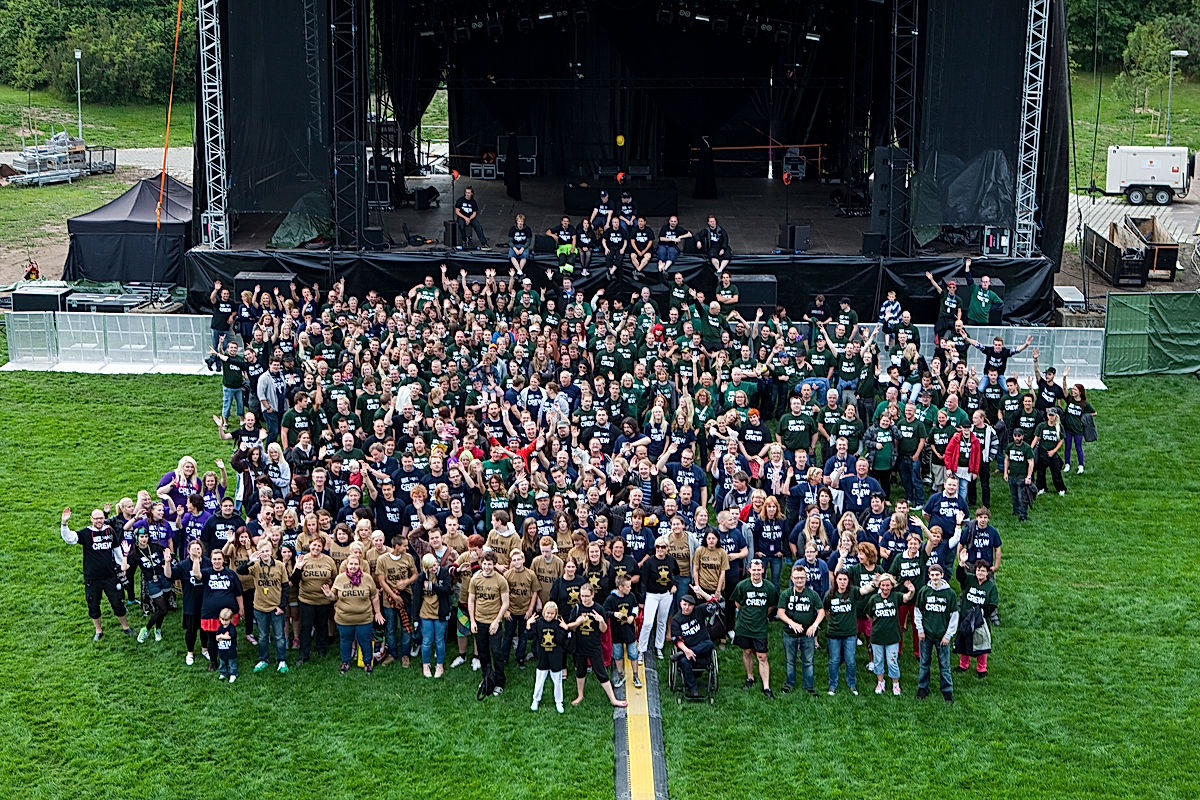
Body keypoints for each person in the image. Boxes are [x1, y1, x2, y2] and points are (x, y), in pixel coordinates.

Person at [60, 507, 136, 641]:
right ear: (91, 519)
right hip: (92, 578)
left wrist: (122, 565)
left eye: (101, 518)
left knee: (118, 602)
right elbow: (69, 539)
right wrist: (64, 524)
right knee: (93, 604)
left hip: (110, 576)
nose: (99, 521)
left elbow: (116, 549)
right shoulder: (86, 533)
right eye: (96, 518)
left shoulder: (110, 531)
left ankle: (125, 627)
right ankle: (98, 630)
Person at [564, 583, 627, 708]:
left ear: (592, 595)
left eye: (587, 596)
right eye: (582, 596)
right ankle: (580, 695)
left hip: (594, 645)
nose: (584, 599)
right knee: (580, 671)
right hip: (579, 645)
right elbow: (570, 627)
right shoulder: (577, 608)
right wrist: (578, 622)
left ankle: (613, 699)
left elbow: (603, 630)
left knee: (601, 672)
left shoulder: (598, 609)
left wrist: (601, 620)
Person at [323, 552, 384, 674]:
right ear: (347, 565)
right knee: (346, 640)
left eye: (356, 564)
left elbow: (374, 597)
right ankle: (345, 662)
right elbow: (334, 597)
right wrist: (329, 594)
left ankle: (367, 663)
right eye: (351, 564)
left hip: (364, 618)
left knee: (365, 640)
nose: (353, 566)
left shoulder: (367, 578)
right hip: (344, 618)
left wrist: (377, 613)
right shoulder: (340, 578)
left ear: (359, 565)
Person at [237, 540, 290, 674]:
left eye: (267, 551)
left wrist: (282, 606)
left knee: (279, 636)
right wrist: (250, 560)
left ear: (271, 551)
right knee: (262, 636)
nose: (265, 553)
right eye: (262, 551)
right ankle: (263, 659)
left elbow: (285, 587)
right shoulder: (255, 566)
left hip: (276, 607)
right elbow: (240, 571)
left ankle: (281, 660)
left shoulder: (279, 565)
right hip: (260, 607)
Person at [859, 572, 915, 696]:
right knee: (878, 661)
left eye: (888, 585)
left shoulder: (895, 596)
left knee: (892, 661)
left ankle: (896, 684)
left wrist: (911, 591)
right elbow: (868, 614)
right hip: (877, 636)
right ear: (879, 586)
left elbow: (906, 598)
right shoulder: (874, 599)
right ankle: (880, 682)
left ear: (892, 586)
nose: (885, 588)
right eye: (883, 585)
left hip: (892, 636)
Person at [730, 558, 778, 699]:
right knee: (746, 651)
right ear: (749, 570)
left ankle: (766, 686)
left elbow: (771, 606)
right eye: (754, 569)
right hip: (744, 626)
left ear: (763, 570)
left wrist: (761, 615)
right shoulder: (742, 586)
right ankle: (750, 677)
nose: (756, 572)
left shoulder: (769, 587)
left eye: (759, 570)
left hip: (760, 627)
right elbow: (737, 603)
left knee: (762, 656)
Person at [777, 564, 825, 696]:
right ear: (792, 578)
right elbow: (780, 612)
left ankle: (809, 686)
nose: (799, 580)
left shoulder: (812, 594)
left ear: (806, 578)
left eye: (802, 578)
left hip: (807, 634)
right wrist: (792, 623)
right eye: (797, 578)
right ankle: (789, 683)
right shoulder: (786, 594)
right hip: (790, 633)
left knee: (808, 661)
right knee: (790, 660)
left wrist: (814, 625)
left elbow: (821, 611)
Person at [914, 562, 959, 703]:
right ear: (929, 576)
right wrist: (920, 630)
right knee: (924, 663)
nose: (935, 577)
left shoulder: (949, 593)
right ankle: (922, 688)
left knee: (944, 665)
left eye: (937, 575)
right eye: (932, 575)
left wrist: (948, 635)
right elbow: (917, 611)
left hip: (942, 636)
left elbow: (954, 616)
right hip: (926, 635)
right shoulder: (924, 591)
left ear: (942, 575)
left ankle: (947, 691)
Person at [468, 551, 510, 694]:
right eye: (484, 564)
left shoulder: (501, 580)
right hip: (479, 622)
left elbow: (505, 603)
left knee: (497, 652)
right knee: (483, 653)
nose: (487, 567)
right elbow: (471, 600)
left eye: (490, 564)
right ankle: (487, 678)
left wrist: (497, 621)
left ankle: (499, 681)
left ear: (494, 565)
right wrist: (472, 621)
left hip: (494, 622)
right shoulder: (475, 579)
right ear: (481, 564)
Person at [195, 548, 244, 673]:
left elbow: (238, 593)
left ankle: (230, 658)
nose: (217, 561)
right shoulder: (206, 573)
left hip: (229, 613)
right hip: (210, 612)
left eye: (219, 559)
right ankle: (213, 661)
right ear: (211, 560)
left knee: (230, 635)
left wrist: (241, 609)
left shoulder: (231, 574)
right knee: (212, 638)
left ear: (224, 560)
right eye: (214, 559)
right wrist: (196, 559)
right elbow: (197, 575)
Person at [121, 526, 172, 643]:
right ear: (137, 538)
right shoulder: (135, 553)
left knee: (164, 607)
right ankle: (146, 629)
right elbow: (124, 567)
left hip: (164, 578)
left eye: (146, 536)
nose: (144, 539)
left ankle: (157, 629)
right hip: (151, 581)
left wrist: (167, 559)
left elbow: (168, 555)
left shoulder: (155, 547)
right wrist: (125, 554)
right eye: (141, 537)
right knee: (163, 609)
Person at [295, 536, 336, 664]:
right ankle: (303, 654)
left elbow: (335, 577)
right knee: (306, 627)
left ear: (322, 548)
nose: (316, 548)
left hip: (323, 600)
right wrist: (298, 567)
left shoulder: (329, 561)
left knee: (322, 625)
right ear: (309, 545)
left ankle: (321, 649)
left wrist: (331, 592)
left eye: (319, 546)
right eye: (314, 545)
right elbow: (294, 580)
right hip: (306, 600)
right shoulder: (303, 559)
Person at [954, 559, 999, 678]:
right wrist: (961, 564)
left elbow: (993, 604)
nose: (980, 573)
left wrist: (980, 613)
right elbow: (960, 576)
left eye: (983, 571)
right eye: (978, 570)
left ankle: (981, 668)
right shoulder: (970, 579)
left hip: (980, 620)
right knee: (964, 640)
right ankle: (963, 665)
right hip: (966, 618)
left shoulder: (991, 586)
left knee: (981, 643)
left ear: (987, 573)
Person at [638, 536, 679, 661]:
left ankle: (659, 646)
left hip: (666, 594)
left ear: (667, 548)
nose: (660, 549)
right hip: (652, 594)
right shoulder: (649, 562)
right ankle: (641, 649)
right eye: (658, 547)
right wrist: (642, 600)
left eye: (663, 547)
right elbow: (643, 581)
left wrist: (674, 585)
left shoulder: (671, 560)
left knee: (662, 621)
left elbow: (677, 573)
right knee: (648, 623)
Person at [415, 553, 454, 678]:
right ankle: (425, 664)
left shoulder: (443, 573)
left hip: (440, 613)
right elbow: (416, 598)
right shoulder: (421, 578)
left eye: (435, 565)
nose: (434, 568)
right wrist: (415, 618)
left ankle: (439, 664)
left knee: (439, 640)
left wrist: (433, 587)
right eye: (431, 566)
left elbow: (447, 591)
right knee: (426, 641)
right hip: (425, 613)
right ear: (426, 568)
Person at [670, 594, 715, 699]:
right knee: (684, 661)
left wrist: (701, 592)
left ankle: (681, 654)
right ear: (680, 604)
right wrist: (686, 650)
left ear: (693, 606)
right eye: (684, 604)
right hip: (687, 651)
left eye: (689, 605)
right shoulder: (676, 620)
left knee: (710, 644)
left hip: (703, 646)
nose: (686, 607)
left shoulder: (699, 611)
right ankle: (693, 689)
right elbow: (676, 639)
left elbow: (713, 604)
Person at [528, 601, 569, 713]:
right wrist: (529, 624)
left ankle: (559, 702)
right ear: (543, 612)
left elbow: (562, 641)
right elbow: (530, 636)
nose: (549, 615)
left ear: (555, 614)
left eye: (552, 613)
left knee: (557, 681)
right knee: (539, 680)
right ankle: (536, 700)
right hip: (543, 657)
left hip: (556, 657)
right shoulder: (539, 623)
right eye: (547, 613)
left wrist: (565, 629)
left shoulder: (558, 624)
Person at [603, 574, 641, 689]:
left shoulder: (631, 596)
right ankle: (620, 675)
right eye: (628, 586)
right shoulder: (611, 599)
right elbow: (604, 611)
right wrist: (614, 614)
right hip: (617, 633)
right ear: (620, 587)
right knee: (618, 655)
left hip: (629, 632)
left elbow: (635, 607)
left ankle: (635, 676)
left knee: (633, 654)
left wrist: (633, 616)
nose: (630, 588)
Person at [824, 568, 858, 696]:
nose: (842, 582)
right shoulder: (830, 594)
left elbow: (865, 591)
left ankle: (852, 684)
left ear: (848, 581)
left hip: (850, 633)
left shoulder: (853, 592)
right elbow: (826, 610)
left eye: (845, 579)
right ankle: (832, 685)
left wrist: (874, 583)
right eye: (840, 579)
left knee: (850, 660)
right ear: (836, 580)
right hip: (833, 633)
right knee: (834, 660)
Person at [1032, 407, 1067, 496]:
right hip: (1042, 452)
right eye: (1049, 415)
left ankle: (1061, 488)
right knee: (1040, 472)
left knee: (1056, 472)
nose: (1051, 417)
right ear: (1047, 415)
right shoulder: (1042, 426)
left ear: (1056, 416)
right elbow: (1036, 438)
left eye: (1053, 415)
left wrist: (1054, 450)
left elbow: (1061, 440)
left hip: (1052, 453)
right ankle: (1041, 487)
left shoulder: (1059, 427)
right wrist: (1030, 449)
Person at [1002, 428, 1035, 522]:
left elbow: (1031, 462)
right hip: (1012, 475)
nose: (1017, 438)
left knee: (1022, 498)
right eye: (1015, 436)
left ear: (1022, 436)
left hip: (1022, 477)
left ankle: (1023, 515)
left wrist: (1028, 476)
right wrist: (1005, 473)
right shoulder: (1010, 446)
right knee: (1014, 495)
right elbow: (1006, 460)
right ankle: (1015, 511)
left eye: (1019, 436)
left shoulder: (1027, 448)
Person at [1062, 383, 1095, 474]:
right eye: (1072, 389)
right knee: (1067, 447)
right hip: (1068, 429)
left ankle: (1081, 466)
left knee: (1078, 448)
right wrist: (1064, 378)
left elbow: (1094, 412)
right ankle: (1067, 464)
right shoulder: (1070, 400)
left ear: (1080, 392)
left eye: (1075, 390)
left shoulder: (1084, 404)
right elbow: (1064, 389)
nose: (1073, 391)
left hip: (1078, 430)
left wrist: (1084, 417)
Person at [453, 186, 489, 250]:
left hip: (470, 218)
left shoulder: (473, 202)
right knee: (461, 225)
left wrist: (469, 219)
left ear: (472, 194)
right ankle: (464, 240)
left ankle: (484, 243)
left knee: (478, 226)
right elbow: (457, 211)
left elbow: (474, 213)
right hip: (462, 217)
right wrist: (465, 218)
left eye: (469, 193)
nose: (467, 194)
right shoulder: (460, 200)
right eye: (466, 192)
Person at [214, 607, 239, 682]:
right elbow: (216, 637)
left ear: (231, 619)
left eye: (226, 620)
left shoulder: (231, 628)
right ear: (220, 619)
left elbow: (230, 636)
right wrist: (221, 636)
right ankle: (223, 673)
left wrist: (221, 636)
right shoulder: (220, 628)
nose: (224, 622)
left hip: (231, 650)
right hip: (222, 650)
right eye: (223, 620)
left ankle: (233, 674)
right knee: (222, 663)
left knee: (232, 663)